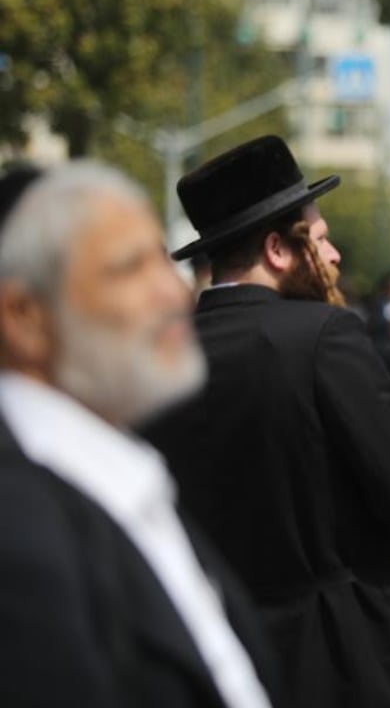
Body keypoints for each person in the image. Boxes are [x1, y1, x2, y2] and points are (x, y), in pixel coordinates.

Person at [139, 136, 390, 708]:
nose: (333, 257)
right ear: (278, 249)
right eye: (323, 239)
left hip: (230, 655)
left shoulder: (158, 360)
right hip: (351, 654)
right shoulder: (323, 337)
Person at [0, 161, 279, 708]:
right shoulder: (18, 530)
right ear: (24, 316)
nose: (173, 295)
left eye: (163, 260)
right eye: (130, 269)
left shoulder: (125, 475)